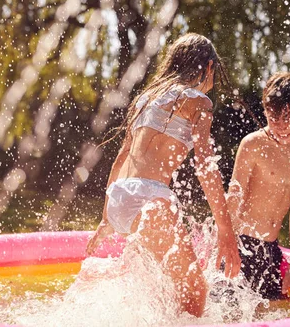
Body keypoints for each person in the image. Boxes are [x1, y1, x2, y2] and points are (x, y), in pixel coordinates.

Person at [85, 33, 241, 317]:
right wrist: (226, 231)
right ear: (207, 67)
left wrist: (107, 217)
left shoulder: (146, 98)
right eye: (213, 71)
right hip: (152, 202)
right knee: (195, 291)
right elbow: (206, 166)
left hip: (121, 197)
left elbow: (122, 156)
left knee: (163, 285)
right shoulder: (198, 101)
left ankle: (99, 283)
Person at [226, 72, 290, 302]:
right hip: (241, 245)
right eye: (274, 117)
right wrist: (228, 248)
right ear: (265, 109)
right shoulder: (253, 144)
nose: (281, 126)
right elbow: (233, 200)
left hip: (270, 252)